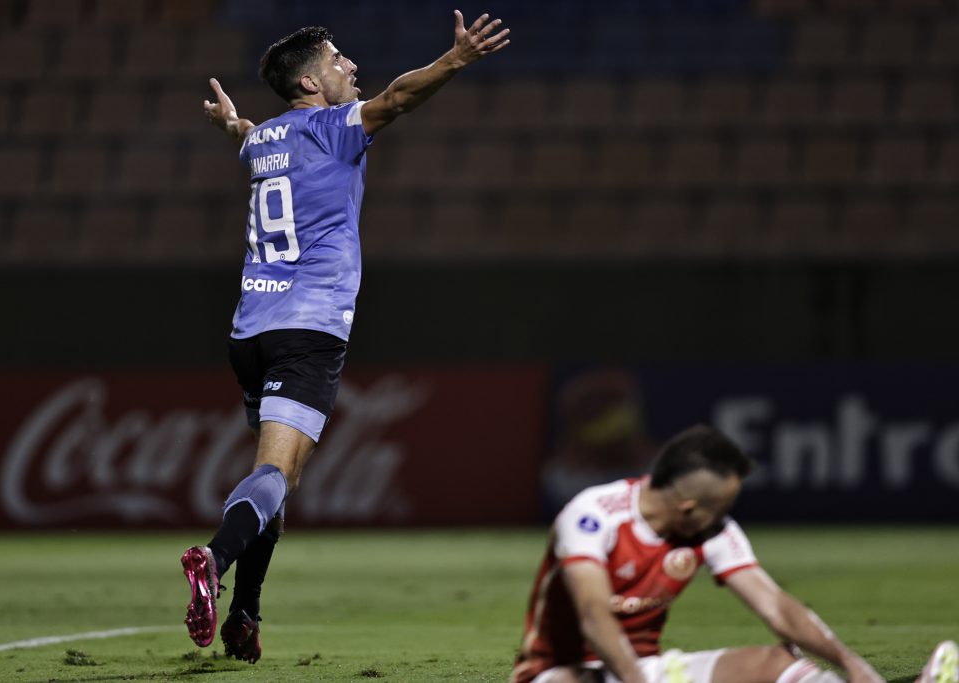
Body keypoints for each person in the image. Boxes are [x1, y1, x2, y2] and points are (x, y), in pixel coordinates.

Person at [179, 11, 510, 663]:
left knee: (270, 480)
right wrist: (455, 61)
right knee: (277, 472)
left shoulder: (262, 140)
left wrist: (230, 125)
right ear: (309, 81)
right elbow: (399, 99)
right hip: (308, 329)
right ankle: (212, 562)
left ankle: (243, 615)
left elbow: (251, 135)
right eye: (337, 59)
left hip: (250, 331)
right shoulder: (336, 128)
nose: (350, 66)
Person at [511, 425, 958, 683]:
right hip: (561, 675)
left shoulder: (709, 528)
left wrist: (849, 662)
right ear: (687, 508)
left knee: (777, 662)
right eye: (721, 507)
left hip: (640, 672)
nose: (727, 519)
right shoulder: (593, 515)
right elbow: (594, 616)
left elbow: (776, 606)